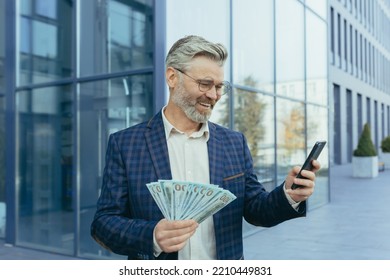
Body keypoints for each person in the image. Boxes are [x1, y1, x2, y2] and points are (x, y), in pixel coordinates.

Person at [90, 35, 321, 260]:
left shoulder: (234, 143)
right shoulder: (126, 144)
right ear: (172, 77)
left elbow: (255, 209)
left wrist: (288, 195)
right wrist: (151, 236)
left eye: (219, 87)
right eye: (204, 84)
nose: (213, 95)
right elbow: (104, 223)